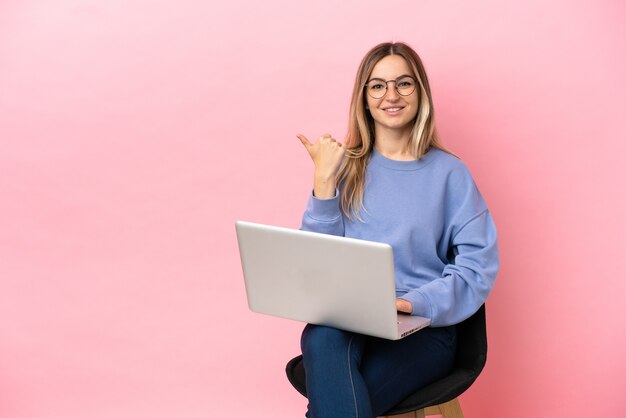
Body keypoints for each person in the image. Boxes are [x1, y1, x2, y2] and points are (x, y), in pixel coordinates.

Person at [295, 42, 499, 418]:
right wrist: (323, 184)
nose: (391, 95)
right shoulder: (343, 167)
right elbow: (315, 268)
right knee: (320, 336)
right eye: (377, 86)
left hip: (422, 329)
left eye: (404, 83)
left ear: (420, 93)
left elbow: (476, 267)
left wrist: (410, 303)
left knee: (340, 402)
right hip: (350, 320)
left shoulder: (449, 174)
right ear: (364, 98)